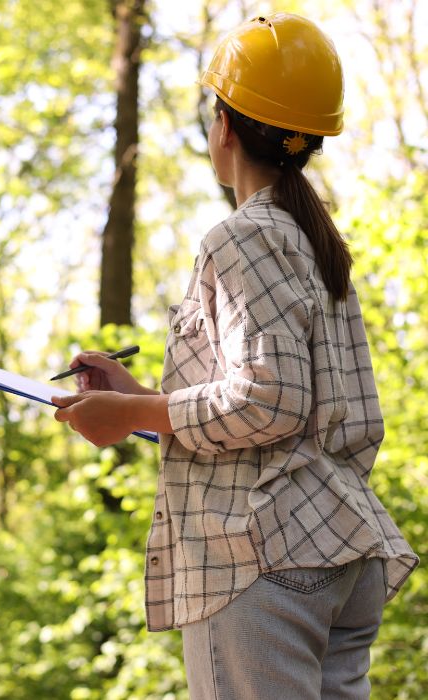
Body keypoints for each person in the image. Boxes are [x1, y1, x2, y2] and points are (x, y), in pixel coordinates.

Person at [53, 12, 418, 700]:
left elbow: (270, 401)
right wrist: (133, 401)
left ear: (223, 125)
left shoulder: (242, 237)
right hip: (336, 547)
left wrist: (129, 412)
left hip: (262, 560)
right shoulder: (314, 239)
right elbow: (281, 402)